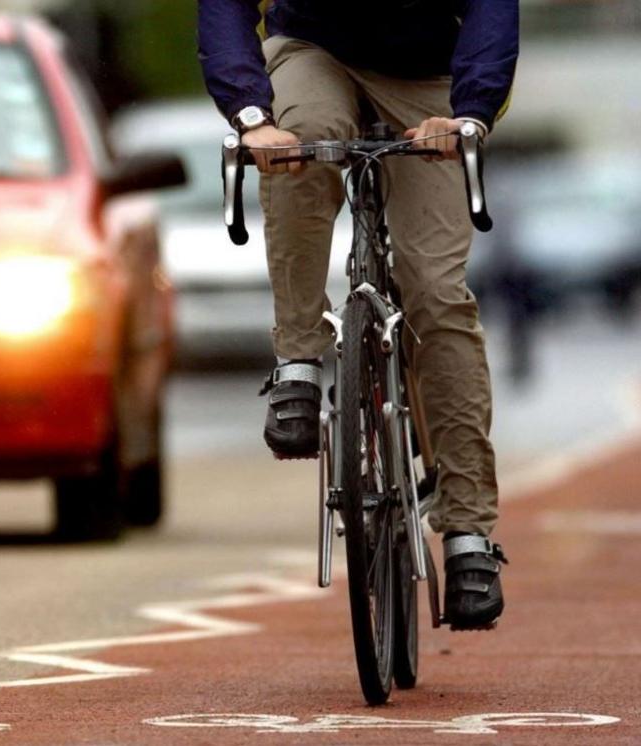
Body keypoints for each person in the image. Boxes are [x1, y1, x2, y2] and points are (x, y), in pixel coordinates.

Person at [197, 0, 518, 630]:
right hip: (314, 52)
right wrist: (252, 119)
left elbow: (491, 11)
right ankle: (297, 360)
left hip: (429, 74)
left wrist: (470, 114)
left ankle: (468, 536)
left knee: (436, 291)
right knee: (300, 142)